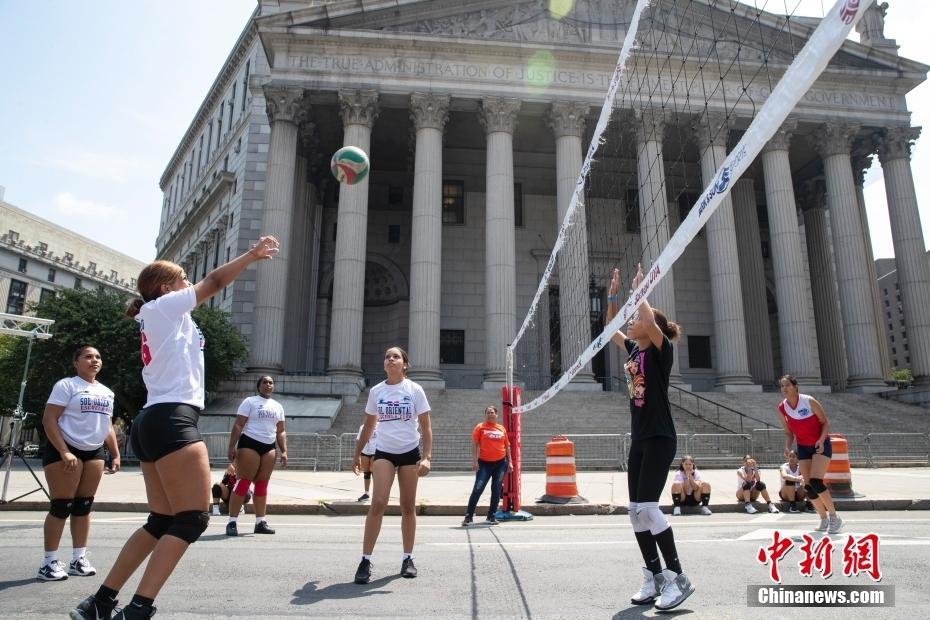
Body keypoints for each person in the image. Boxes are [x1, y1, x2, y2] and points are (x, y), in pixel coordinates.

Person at [70, 235, 279, 620]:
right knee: (193, 517)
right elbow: (214, 283)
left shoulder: (165, 315)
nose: (190, 282)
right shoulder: (164, 307)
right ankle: (139, 608)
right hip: (172, 419)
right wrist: (250, 256)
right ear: (166, 288)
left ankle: (99, 603)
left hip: (155, 420)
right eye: (183, 278)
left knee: (163, 519)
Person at [606, 264, 694, 611]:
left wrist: (640, 292)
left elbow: (651, 323)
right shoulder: (632, 350)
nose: (631, 321)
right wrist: (613, 296)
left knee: (648, 508)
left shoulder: (660, 351)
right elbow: (610, 328)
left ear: (650, 325)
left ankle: (678, 578)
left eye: (637, 318)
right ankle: (654, 576)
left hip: (660, 436)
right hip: (640, 438)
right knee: (634, 512)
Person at [38, 345, 120, 582]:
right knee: (61, 506)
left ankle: (78, 558)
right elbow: (49, 419)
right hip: (65, 449)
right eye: (88, 356)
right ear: (76, 362)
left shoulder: (106, 392)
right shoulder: (66, 385)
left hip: (93, 452)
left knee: (84, 506)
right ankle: (49, 562)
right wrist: (64, 451)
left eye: (98, 356)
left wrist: (114, 453)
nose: (94, 360)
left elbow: (107, 426)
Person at [352, 346, 432, 584]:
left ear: (404, 364)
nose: (390, 359)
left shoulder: (414, 390)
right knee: (378, 503)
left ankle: (408, 558)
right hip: (384, 452)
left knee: (408, 506)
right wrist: (357, 454)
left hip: (409, 452)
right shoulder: (377, 391)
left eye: (395, 356)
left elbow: (426, 427)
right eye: (387, 356)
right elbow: (368, 426)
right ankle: (365, 560)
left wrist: (426, 456)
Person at [777, 374, 842, 533]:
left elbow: (825, 422)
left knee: (816, 481)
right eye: (782, 386)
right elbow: (788, 433)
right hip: (803, 447)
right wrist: (787, 447)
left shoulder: (809, 401)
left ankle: (834, 517)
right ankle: (823, 519)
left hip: (820, 444)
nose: (784, 388)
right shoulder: (782, 407)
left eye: (787, 385)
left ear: (795, 386)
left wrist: (821, 440)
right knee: (808, 487)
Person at [224, 375, 287, 536]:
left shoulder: (277, 406)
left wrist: (284, 450)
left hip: (269, 446)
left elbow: (281, 431)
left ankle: (260, 522)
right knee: (243, 483)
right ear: (259, 386)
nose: (268, 385)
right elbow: (239, 424)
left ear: (274, 386)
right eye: (264, 382)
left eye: (271, 383)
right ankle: (232, 522)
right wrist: (232, 446)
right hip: (249, 443)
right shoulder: (250, 402)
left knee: (262, 484)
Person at [462, 405, 512, 526]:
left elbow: (507, 446)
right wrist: (474, 461)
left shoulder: (501, 429)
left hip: (500, 463)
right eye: (488, 412)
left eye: (492, 412)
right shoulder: (480, 427)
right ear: (485, 415)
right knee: (478, 489)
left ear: (496, 415)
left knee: (496, 490)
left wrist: (510, 462)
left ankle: (491, 516)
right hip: (484, 463)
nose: (490, 414)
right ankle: (468, 516)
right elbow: (474, 445)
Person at [356, 422, 378, 502]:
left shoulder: (380, 426)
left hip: (375, 451)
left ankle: (377, 493)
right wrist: (358, 454)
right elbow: (359, 439)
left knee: (374, 470)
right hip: (365, 451)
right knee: (366, 471)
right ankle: (367, 493)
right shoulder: (362, 427)